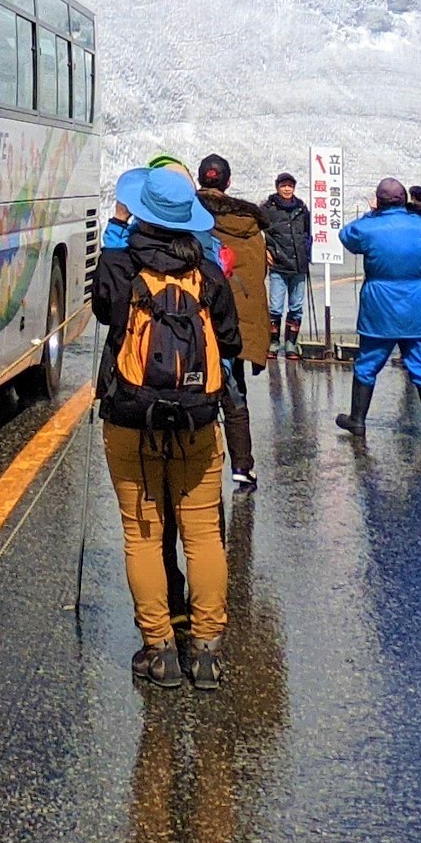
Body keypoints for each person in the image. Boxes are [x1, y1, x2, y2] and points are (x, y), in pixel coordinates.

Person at [93, 164, 245, 690]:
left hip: (131, 416)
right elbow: (228, 340)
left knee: (143, 533)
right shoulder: (206, 268)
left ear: (141, 210)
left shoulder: (123, 262)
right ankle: (205, 650)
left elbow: (104, 311)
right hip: (198, 420)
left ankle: (159, 650)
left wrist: (116, 229)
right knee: (203, 536)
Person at [331, 178, 421, 445]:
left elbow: (347, 236)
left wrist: (372, 213)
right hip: (417, 303)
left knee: (368, 363)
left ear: (379, 200)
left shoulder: (369, 227)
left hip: (380, 304)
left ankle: (357, 420)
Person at [191, 156, 272, 492]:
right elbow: (256, 274)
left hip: (192, 319)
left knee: (191, 386)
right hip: (231, 323)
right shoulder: (249, 225)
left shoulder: (186, 214)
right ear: (228, 182)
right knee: (233, 389)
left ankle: (196, 467)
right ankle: (242, 467)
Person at [257, 173, 314, 336]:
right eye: (283, 185)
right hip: (278, 265)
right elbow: (256, 232)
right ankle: (274, 342)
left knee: (296, 307)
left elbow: (309, 232)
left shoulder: (301, 209)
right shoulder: (268, 209)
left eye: (290, 185)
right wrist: (264, 250)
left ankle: (291, 343)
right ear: (277, 187)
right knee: (275, 307)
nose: (287, 189)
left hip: (299, 266)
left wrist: (308, 251)